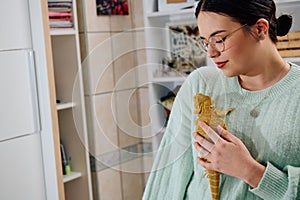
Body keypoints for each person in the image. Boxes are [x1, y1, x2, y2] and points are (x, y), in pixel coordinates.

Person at [143, 0, 300, 199]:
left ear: (260, 28)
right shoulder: (200, 85)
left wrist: (250, 171)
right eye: (205, 42)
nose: (211, 52)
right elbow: (167, 180)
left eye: (219, 39)